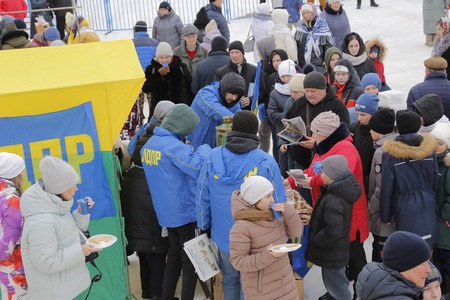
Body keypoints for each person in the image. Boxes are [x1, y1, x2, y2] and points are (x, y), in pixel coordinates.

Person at [197, 111, 287, 300]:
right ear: (255, 131)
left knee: (229, 279)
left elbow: (202, 197)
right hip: (257, 236)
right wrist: (280, 229)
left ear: (233, 129)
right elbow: (278, 202)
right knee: (252, 281)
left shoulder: (212, 158)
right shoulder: (266, 161)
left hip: (224, 234)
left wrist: (203, 224)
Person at [290, 111, 368, 300]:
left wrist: (312, 182)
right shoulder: (326, 146)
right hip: (333, 212)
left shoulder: (344, 150)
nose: (313, 137)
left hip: (350, 216)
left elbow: (336, 177)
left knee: (353, 259)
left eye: (315, 133)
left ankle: (361, 293)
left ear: (325, 134)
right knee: (338, 260)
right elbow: (315, 169)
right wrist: (292, 181)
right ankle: (337, 292)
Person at [140, 104, 211, 300]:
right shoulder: (174, 147)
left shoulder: (151, 144)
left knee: (173, 257)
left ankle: (167, 296)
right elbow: (197, 168)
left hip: (165, 212)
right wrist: (203, 148)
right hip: (185, 212)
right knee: (191, 261)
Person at [20, 156, 99, 299]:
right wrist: (81, 250)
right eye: (72, 185)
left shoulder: (54, 206)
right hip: (55, 294)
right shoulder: (42, 222)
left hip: (62, 290)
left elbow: (68, 234)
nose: (76, 188)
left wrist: (81, 213)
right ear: (59, 189)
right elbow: (46, 262)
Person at [121, 101, 174, 300]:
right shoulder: (164, 138)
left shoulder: (143, 131)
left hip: (134, 189)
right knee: (157, 251)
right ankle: (157, 295)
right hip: (150, 193)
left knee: (143, 251)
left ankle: (147, 292)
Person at [229, 175, 302, 300]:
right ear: (255, 199)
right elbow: (238, 262)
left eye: (272, 195)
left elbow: (296, 233)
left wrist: (289, 211)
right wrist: (268, 256)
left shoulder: (274, 215)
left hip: (286, 283)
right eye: (268, 196)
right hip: (262, 291)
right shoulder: (241, 227)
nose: (273, 200)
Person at [305, 155, 362, 300]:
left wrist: (316, 240)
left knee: (337, 288)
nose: (320, 174)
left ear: (331, 176)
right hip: (338, 250)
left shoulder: (333, 200)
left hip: (331, 252)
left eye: (322, 171)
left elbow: (333, 230)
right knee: (337, 283)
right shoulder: (339, 193)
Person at [380, 110, 439, 246]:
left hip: (404, 205)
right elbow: (435, 179)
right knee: (427, 244)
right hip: (428, 201)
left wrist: (386, 216)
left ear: (398, 128)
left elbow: (387, 188)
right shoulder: (430, 150)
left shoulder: (390, 155)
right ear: (418, 127)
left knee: (408, 245)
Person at [280, 72, 350, 177]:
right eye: (306, 91)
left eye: (313, 91)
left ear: (323, 89)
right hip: (301, 161)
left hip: (327, 164)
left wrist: (318, 144)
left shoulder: (337, 106)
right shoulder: (300, 103)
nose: (309, 94)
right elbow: (287, 123)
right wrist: (286, 141)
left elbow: (344, 134)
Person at [356, 231, 431, 299]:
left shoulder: (376, 286)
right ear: (403, 266)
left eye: (428, 262)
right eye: (423, 264)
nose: (429, 270)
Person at [367, 108, 397, 263]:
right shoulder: (399, 144)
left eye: (371, 129)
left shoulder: (381, 152)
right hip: (396, 213)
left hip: (383, 214)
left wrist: (371, 209)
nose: (370, 132)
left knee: (381, 252)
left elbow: (380, 188)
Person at [188, 72, 246, 150]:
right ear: (225, 89)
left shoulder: (234, 103)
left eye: (237, 96)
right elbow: (217, 111)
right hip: (196, 145)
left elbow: (239, 117)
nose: (234, 98)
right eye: (232, 93)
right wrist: (240, 122)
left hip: (216, 148)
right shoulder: (205, 93)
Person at [0, 153, 28, 299]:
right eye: (21, 171)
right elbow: (8, 243)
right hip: (17, 270)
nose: (23, 174)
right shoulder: (11, 199)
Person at [142, 42, 193, 116]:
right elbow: (145, 88)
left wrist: (189, 107)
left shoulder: (180, 67)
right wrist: (158, 75)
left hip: (179, 112)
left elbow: (189, 88)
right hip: (160, 113)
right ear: (157, 58)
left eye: (167, 57)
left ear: (171, 57)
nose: (164, 60)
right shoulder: (151, 69)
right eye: (161, 58)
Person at [430, 122, 450, 298]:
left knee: (445, 259)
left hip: (444, 222)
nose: (437, 146)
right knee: (436, 258)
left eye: (441, 143)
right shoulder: (430, 161)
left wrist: (442, 214)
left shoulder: (448, 166)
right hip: (434, 220)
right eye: (434, 142)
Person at [268, 59, 297, 174]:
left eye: (288, 76)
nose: (285, 79)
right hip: (282, 132)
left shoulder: (300, 89)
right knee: (284, 163)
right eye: (283, 76)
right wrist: (287, 116)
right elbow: (272, 114)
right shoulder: (275, 93)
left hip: (299, 132)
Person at [214, 40, 257, 110]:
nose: (234, 55)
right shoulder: (221, 72)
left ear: (242, 53)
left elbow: (259, 90)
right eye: (232, 52)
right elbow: (216, 92)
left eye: (237, 52)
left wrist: (251, 99)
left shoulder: (253, 70)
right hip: (229, 110)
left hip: (248, 111)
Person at [351, 93, 379, 196]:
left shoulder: (378, 133)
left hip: (371, 182)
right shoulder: (355, 128)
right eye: (357, 114)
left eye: (363, 115)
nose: (359, 118)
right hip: (356, 179)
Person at [132, 20, 159, 125]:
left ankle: (139, 121)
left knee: (139, 103)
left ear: (135, 30)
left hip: (137, 78)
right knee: (152, 102)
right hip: (150, 77)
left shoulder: (130, 43)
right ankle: (152, 122)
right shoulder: (155, 43)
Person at [294, 3, 333, 73]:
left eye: (308, 12)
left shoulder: (322, 25)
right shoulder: (300, 28)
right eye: (304, 13)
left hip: (319, 65)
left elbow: (328, 46)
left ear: (313, 12)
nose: (306, 15)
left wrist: (326, 60)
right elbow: (297, 45)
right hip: (303, 65)